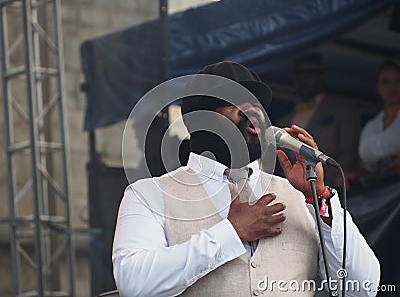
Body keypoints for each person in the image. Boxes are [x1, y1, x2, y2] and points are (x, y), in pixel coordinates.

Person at [112, 61, 379, 296]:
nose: (254, 110)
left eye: (257, 104)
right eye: (235, 101)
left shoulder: (301, 196)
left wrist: (320, 198)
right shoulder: (149, 194)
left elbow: (363, 288)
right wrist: (231, 233)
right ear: (200, 119)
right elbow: (134, 284)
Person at [276, 53, 361, 186]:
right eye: (299, 75)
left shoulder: (343, 109)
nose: (303, 80)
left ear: (321, 77)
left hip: (329, 189)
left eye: (309, 75)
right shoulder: (283, 121)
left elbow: (349, 153)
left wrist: (326, 184)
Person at [358, 60, 400, 174]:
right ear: (378, 87)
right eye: (386, 82)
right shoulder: (370, 127)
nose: (392, 87)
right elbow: (364, 166)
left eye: (397, 81)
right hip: (377, 189)